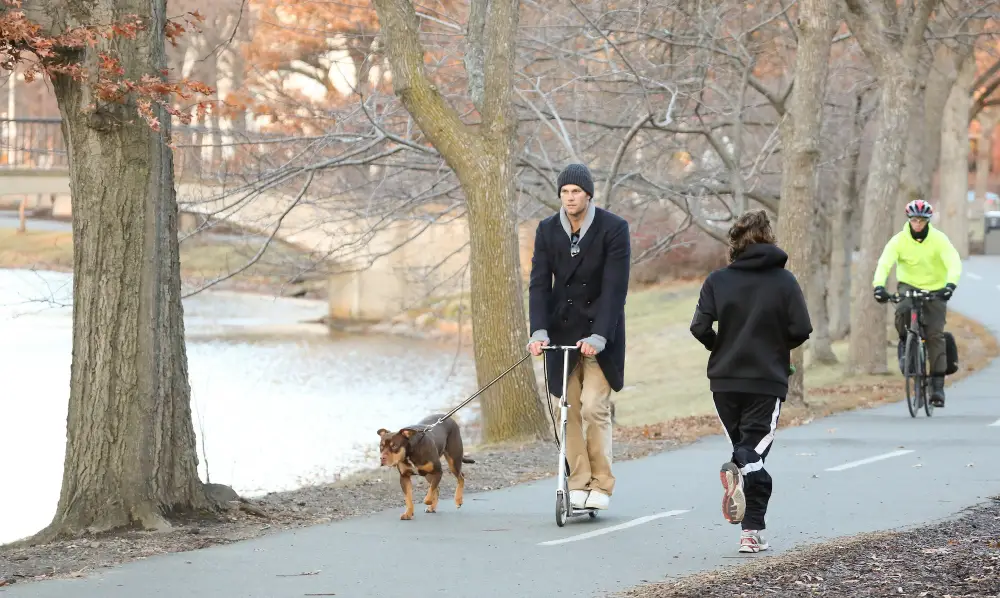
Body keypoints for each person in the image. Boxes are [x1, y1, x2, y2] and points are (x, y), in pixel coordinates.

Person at [689, 209, 812, 553]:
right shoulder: (784, 281)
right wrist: (774, 348)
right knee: (752, 454)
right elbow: (801, 329)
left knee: (748, 456)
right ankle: (749, 524)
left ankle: (750, 534)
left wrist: (722, 347)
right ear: (769, 238)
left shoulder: (717, 280)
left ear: (734, 244)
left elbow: (699, 327)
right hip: (764, 380)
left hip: (724, 382)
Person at [527, 163, 631, 512]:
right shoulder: (546, 230)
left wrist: (600, 335)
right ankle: (579, 481)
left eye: (576, 192)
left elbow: (616, 289)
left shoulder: (614, 229)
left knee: (593, 407)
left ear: (588, 194)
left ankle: (602, 482)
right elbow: (540, 284)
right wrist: (538, 331)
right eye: (565, 192)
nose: (570, 198)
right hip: (562, 333)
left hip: (602, 333)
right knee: (567, 410)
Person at [872, 198, 962, 407]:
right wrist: (879, 286)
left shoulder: (939, 240)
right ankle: (906, 342)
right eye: (914, 220)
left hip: (936, 289)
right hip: (908, 286)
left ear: (928, 220)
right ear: (909, 220)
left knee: (935, 335)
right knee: (902, 309)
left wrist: (950, 286)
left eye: (922, 220)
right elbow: (884, 263)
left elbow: (953, 261)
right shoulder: (899, 240)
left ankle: (937, 387)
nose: (918, 224)